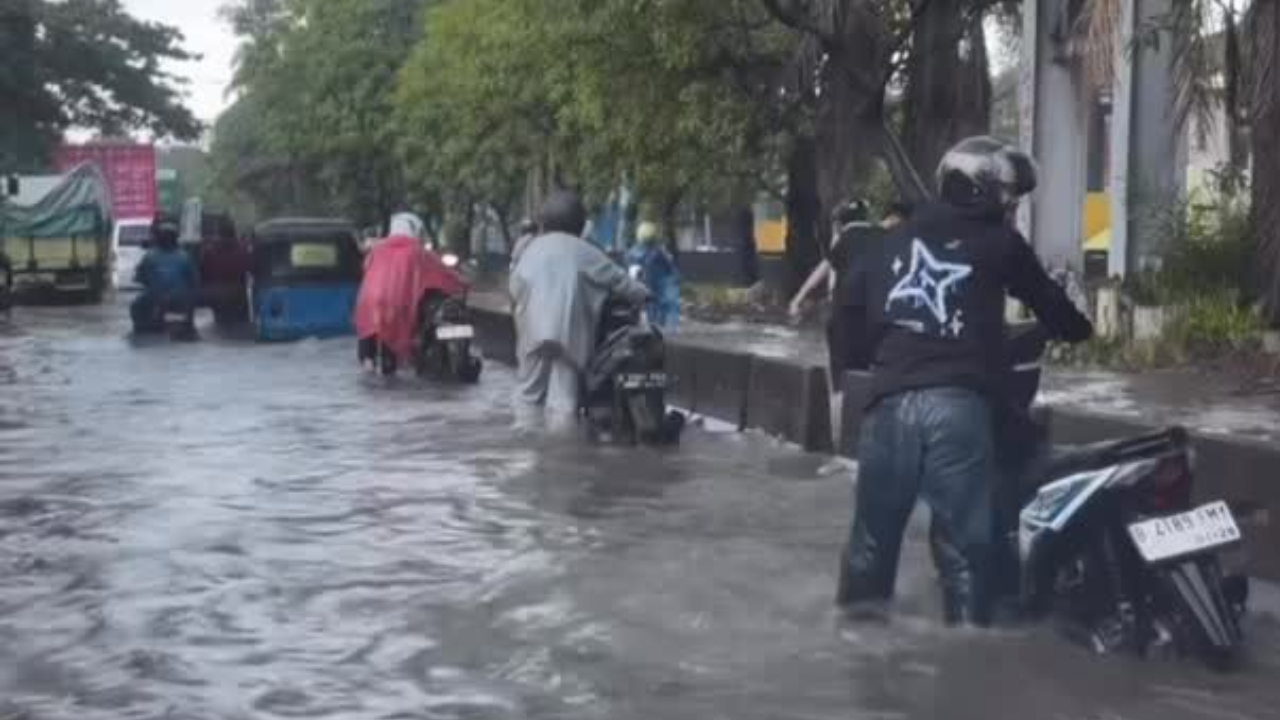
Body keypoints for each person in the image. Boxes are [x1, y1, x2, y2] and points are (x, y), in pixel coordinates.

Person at [836, 136, 1094, 626]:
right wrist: (1078, 330)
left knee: (869, 549)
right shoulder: (999, 243)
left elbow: (846, 315)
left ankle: (857, 663)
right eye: (1007, 197)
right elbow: (1053, 307)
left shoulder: (886, 243)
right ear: (976, 189)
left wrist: (880, 360)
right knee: (964, 554)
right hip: (957, 411)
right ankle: (970, 668)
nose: (1011, 208)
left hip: (887, 409)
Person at [509, 190, 648, 414]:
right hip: (568, 336)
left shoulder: (530, 250)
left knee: (528, 394)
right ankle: (563, 444)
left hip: (532, 334)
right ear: (579, 223)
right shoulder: (584, 251)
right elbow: (619, 280)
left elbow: (514, 289)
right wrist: (645, 294)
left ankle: (525, 439)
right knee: (565, 398)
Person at [354, 212, 467, 375]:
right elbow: (442, 273)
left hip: (369, 302)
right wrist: (461, 283)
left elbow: (365, 268)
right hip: (399, 303)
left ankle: (368, 360)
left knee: (370, 334)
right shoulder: (417, 251)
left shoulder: (377, 250)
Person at [789, 199, 876, 382]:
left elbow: (823, 270)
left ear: (838, 224)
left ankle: (840, 403)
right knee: (869, 369)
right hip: (875, 315)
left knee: (842, 374)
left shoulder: (844, 239)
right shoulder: (882, 236)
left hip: (845, 315)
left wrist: (798, 298)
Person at [131, 212, 199, 329]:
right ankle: (188, 324)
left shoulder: (150, 256)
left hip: (156, 298)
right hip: (179, 299)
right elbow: (194, 280)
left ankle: (141, 329)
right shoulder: (184, 256)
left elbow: (139, 276)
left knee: (135, 307)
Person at [625, 221, 681, 331]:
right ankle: (666, 328)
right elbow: (669, 266)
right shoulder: (657, 251)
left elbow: (630, 269)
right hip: (656, 284)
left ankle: (662, 327)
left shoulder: (632, 253)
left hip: (651, 284)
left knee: (655, 306)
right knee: (662, 305)